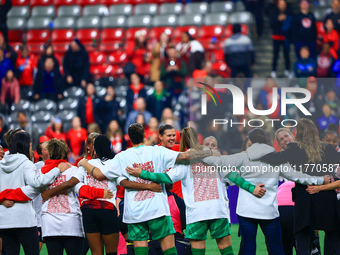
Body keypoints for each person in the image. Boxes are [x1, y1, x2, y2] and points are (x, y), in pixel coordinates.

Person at [77, 123, 221, 255]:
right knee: (168, 248)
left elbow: (99, 174)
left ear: (130, 138)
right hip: (157, 208)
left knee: (140, 249)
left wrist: (84, 162)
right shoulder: (157, 151)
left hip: (135, 212)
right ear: (145, 136)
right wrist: (208, 152)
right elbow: (184, 156)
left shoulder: (122, 157)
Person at [126, 127, 267, 255]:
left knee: (198, 251)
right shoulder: (215, 157)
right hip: (217, 210)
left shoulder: (185, 161)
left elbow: (165, 177)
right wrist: (252, 188)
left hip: (196, 213)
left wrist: (142, 173)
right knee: (226, 249)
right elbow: (234, 176)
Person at [203, 128, 327, 255]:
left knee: (249, 248)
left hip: (246, 211)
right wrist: (321, 179)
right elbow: (297, 176)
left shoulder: (243, 157)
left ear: (250, 141)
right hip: (269, 212)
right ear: (267, 140)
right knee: (277, 248)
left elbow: (218, 162)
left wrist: (199, 152)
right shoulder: (277, 159)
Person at [42, 135, 163, 255]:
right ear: (109, 147)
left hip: (88, 211)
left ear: (95, 148)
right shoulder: (114, 164)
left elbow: (72, 183)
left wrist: (50, 192)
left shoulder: (85, 165)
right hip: (107, 210)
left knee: (96, 253)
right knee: (111, 253)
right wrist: (149, 186)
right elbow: (125, 183)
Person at [259, 118, 340, 254]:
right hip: (327, 200)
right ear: (315, 131)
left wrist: (254, 154)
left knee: (302, 240)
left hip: (305, 199)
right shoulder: (328, 148)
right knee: (335, 240)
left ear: (298, 133)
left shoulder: (294, 148)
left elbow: (275, 158)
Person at [0, 132, 68, 254]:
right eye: (30, 145)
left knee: (10, 252)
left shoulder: (1, 164)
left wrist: (3, 198)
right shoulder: (26, 163)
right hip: (24, 218)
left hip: (4, 219)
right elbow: (37, 182)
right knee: (32, 252)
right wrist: (57, 170)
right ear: (26, 145)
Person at [270, 0, 293, 78]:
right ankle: (273, 70)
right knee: (276, 54)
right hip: (276, 37)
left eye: (284, 4)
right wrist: (278, 19)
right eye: (281, 4)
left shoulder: (289, 12)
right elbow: (271, 24)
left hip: (286, 38)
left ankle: (287, 70)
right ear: (278, 5)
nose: (282, 6)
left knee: (286, 54)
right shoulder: (274, 12)